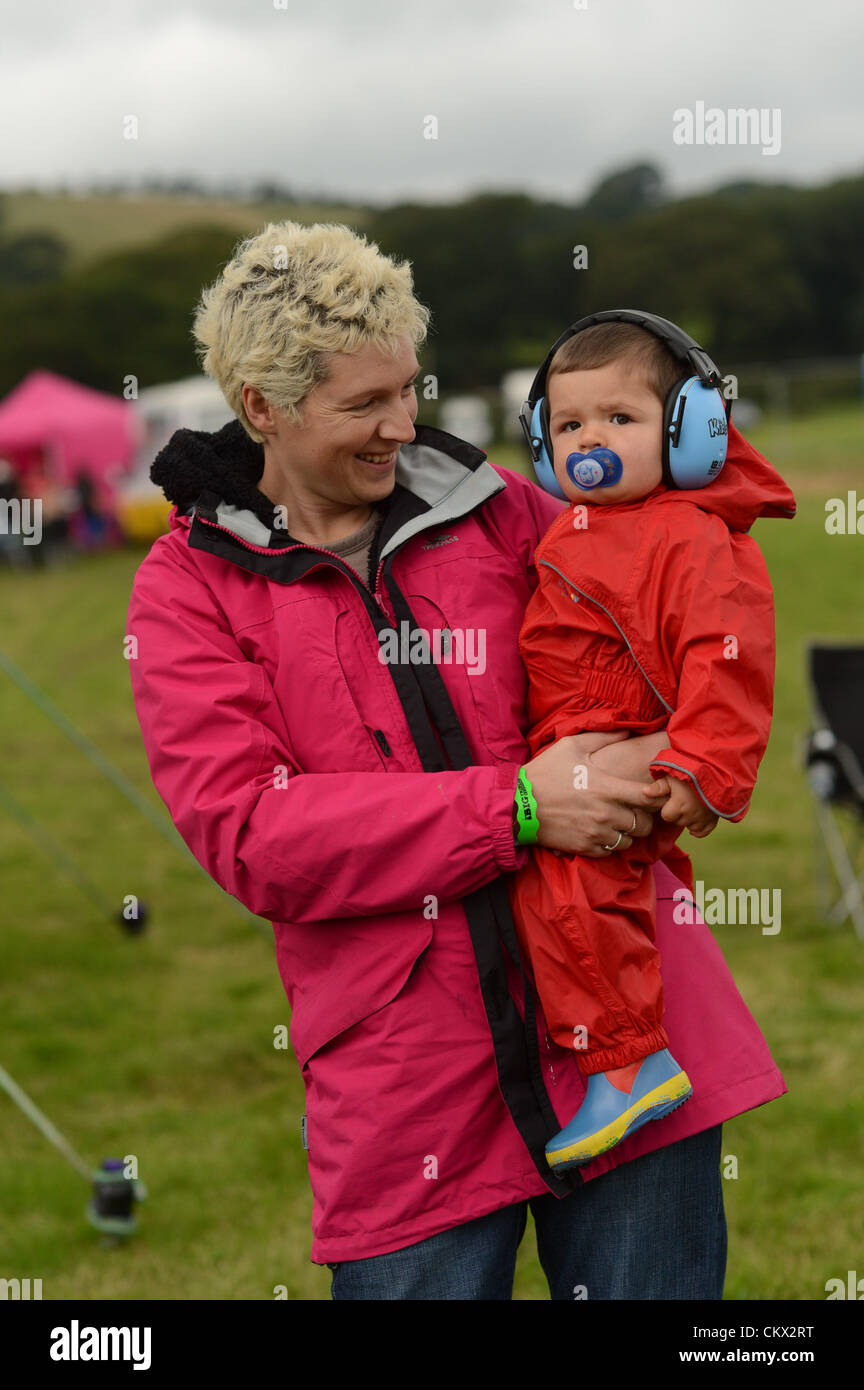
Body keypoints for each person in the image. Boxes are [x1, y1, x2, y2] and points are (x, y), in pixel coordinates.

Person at [126, 221, 786, 1300]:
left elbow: (687, 583)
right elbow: (253, 834)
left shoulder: (509, 509)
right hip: (404, 1087)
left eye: (407, 389)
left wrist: (681, 744)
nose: (401, 425)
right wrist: (521, 808)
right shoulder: (189, 588)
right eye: (363, 405)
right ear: (262, 407)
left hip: (633, 1032)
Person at [507, 315, 796, 1175]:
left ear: (693, 433)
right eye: (567, 426)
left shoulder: (688, 532)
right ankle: (620, 1057)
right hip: (569, 742)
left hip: (619, 747)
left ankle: (630, 1063)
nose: (590, 439)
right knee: (561, 899)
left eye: (620, 420)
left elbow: (729, 657)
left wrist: (702, 767)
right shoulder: (580, 522)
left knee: (574, 896)